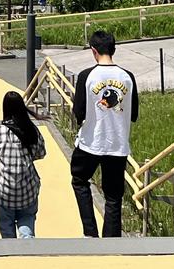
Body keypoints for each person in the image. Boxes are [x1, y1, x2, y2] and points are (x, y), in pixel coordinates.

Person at [70, 30, 138, 238]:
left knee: (80, 180)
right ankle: (112, 240)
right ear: (113, 49)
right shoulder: (128, 77)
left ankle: (90, 233)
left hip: (91, 141)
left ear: (94, 51)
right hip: (117, 144)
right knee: (113, 195)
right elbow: (133, 114)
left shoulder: (86, 76)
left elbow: (78, 112)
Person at [0, 90, 46, 238]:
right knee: (27, 218)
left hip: (4, 190)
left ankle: (11, 251)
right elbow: (41, 153)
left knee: (6, 223)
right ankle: (27, 240)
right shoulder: (31, 130)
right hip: (27, 189)